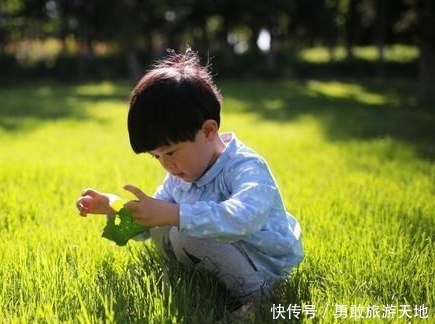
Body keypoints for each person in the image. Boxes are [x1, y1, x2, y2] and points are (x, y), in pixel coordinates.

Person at [75, 48, 303, 316]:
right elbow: (152, 218)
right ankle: (196, 273)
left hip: (264, 260)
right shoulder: (180, 174)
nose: (166, 165)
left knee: (184, 230)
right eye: (156, 156)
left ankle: (261, 297)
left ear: (208, 130)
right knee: (164, 226)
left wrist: (174, 214)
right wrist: (113, 206)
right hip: (226, 251)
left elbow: (245, 218)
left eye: (171, 152)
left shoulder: (245, 167)